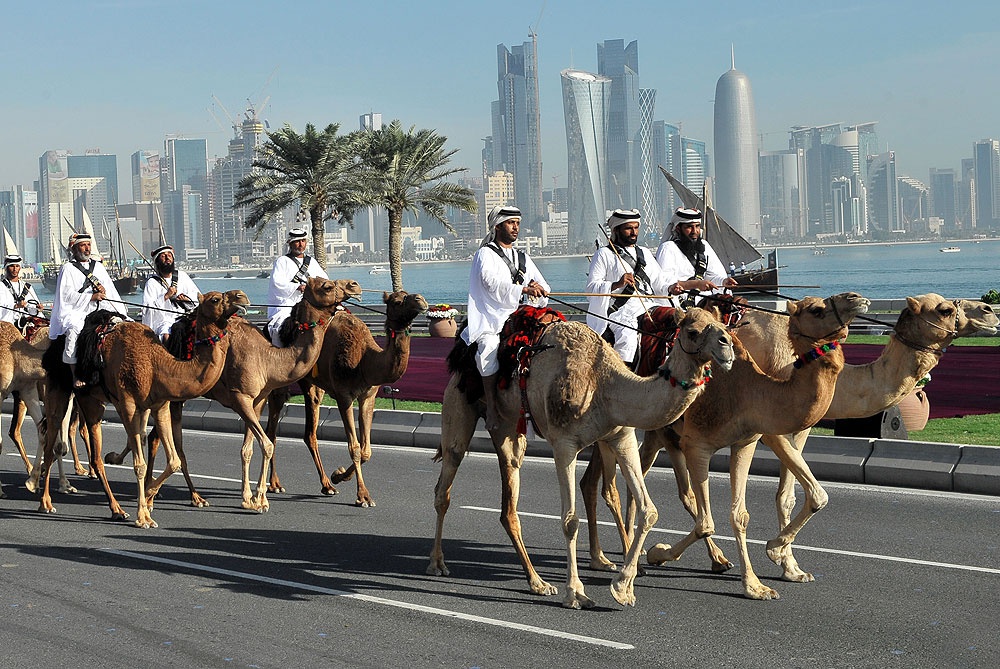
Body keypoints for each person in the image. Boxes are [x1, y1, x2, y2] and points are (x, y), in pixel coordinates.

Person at [462, 205, 549, 430]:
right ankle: (491, 405)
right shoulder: (485, 253)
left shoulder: (523, 257)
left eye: (518, 223)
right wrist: (522, 290)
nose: (516, 227)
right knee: (489, 349)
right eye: (511, 223)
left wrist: (538, 288)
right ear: (497, 226)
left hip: (519, 314)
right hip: (492, 318)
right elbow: (490, 283)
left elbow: (543, 285)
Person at [586, 208, 672, 367]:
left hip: (649, 306)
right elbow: (591, 289)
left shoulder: (645, 253)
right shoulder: (604, 254)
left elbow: (660, 283)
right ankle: (623, 377)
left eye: (636, 227)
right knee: (628, 338)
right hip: (620, 312)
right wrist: (616, 284)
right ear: (616, 230)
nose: (634, 232)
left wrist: (673, 287)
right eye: (628, 228)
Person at [48, 232, 128, 387]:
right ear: (75, 249)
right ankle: (75, 374)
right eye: (83, 245)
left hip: (99, 308)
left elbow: (110, 290)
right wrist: (90, 297)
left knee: (119, 324)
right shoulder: (68, 268)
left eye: (88, 245)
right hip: (77, 311)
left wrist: (103, 292)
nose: (87, 249)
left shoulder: (97, 266)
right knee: (74, 330)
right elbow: (66, 295)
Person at [655, 207, 738, 307]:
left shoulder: (704, 245)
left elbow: (713, 276)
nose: (694, 231)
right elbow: (665, 283)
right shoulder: (668, 248)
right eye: (689, 227)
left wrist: (723, 281)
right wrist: (696, 284)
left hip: (707, 300)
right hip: (682, 303)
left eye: (697, 226)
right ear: (678, 228)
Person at [267, 227, 329, 346]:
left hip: (310, 305)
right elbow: (277, 283)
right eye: (297, 241)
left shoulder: (312, 262)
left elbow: (324, 280)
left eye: (303, 241)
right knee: (279, 328)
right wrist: (297, 287)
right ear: (290, 243)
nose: (300, 244)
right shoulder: (282, 261)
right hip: (287, 306)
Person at [142, 244, 201, 342]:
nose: (167, 258)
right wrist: (165, 296)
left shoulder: (182, 276)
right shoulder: (152, 282)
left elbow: (198, 296)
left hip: (184, 315)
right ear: (157, 261)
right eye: (163, 256)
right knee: (166, 335)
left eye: (169, 255)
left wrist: (186, 298)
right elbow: (147, 308)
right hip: (164, 320)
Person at [0, 254, 41, 325]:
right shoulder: (1, 286)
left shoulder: (26, 287)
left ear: (20, 268)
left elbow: (32, 309)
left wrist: (37, 308)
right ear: (6, 268)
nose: (15, 269)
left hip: (25, 323)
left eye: (17, 266)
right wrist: (15, 306)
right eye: (12, 266)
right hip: (8, 324)